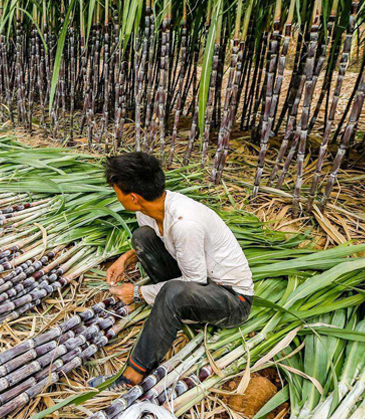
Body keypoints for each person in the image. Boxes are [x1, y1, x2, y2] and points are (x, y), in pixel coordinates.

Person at [90, 152, 253, 389]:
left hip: (231, 299)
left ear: (134, 197)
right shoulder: (148, 208)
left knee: (173, 293)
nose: (116, 196)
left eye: (117, 191)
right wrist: (126, 259)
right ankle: (173, 309)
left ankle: (132, 376)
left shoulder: (185, 223)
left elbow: (193, 282)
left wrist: (137, 293)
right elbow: (157, 239)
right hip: (200, 282)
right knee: (142, 237)